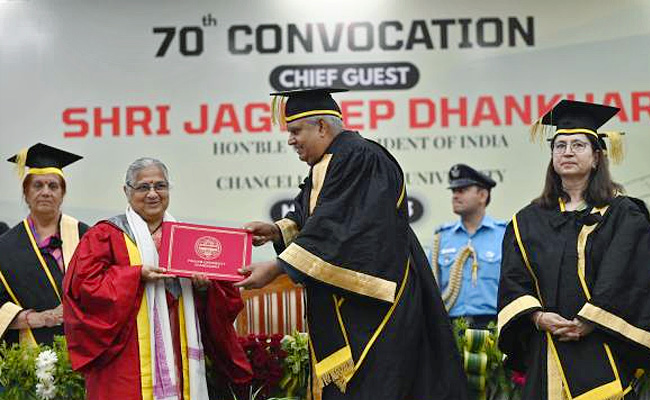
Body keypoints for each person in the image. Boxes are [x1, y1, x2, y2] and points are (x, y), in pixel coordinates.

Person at [237, 88, 467, 400]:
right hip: (353, 304)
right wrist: (277, 231)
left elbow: (342, 229)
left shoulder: (361, 156)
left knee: (373, 387)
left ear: (321, 127)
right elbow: (315, 218)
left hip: (374, 309)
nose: (290, 140)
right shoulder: (330, 161)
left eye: (295, 131)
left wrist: (277, 268)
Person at [497, 100, 650, 400]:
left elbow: (627, 278)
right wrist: (537, 317)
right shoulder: (526, 221)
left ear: (596, 157)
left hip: (603, 348)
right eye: (560, 145)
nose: (567, 152)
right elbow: (513, 281)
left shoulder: (623, 215)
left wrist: (589, 321)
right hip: (546, 349)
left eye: (578, 145)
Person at [63, 158, 252, 400]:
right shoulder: (105, 235)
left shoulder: (188, 239)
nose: (153, 194)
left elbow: (224, 301)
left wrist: (205, 289)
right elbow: (82, 288)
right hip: (127, 357)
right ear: (127, 191)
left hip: (178, 347)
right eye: (143, 187)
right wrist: (135, 275)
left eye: (160, 186)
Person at [0, 143, 88, 346]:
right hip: (28, 352)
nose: (46, 192)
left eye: (53, 186)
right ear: (26, 193)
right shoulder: (5, 247)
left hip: (85, 346)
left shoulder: (86, 236)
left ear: (62, 194)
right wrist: (38, 318)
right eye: (38, 185)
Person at [430, 163, 505, 329]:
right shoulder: (442, 238)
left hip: (492, 324)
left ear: (482, 195)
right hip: (451, 326)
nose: (455, 196)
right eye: (453, 191)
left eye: (462, 190)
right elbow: (430, 288)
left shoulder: (504, 235)